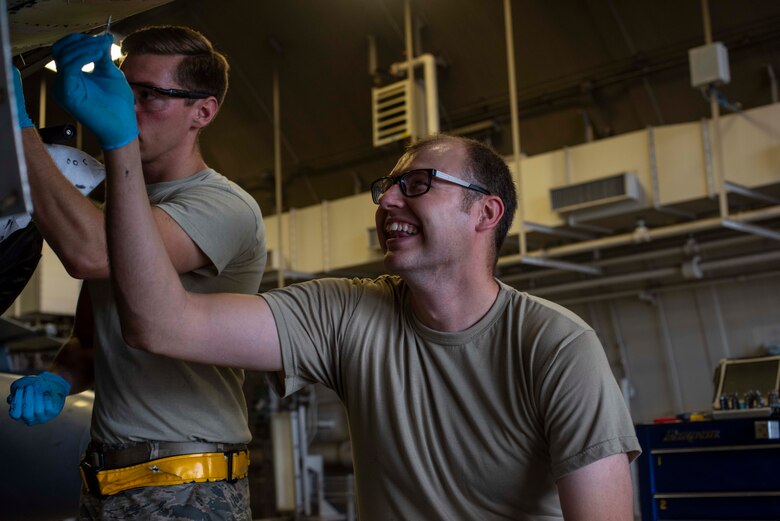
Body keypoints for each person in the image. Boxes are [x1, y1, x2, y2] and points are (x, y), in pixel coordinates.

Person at [54, 33, 640, 521]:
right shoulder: (345, 314)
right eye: (385, 186)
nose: (386, 200)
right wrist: (120, 145)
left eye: (416, 184)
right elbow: (159, 323)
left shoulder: (557, 347)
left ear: (486, 213)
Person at [6, 27, 266, 520]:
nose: (128, 106)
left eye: (148, 95)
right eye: (124, 89)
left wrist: (16, 126)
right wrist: (58, 379)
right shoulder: (120, 209)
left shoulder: (224, 205)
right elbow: (88, 343)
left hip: (188, 486)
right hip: (104, 480)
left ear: (203, 112)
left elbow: (96, 253)